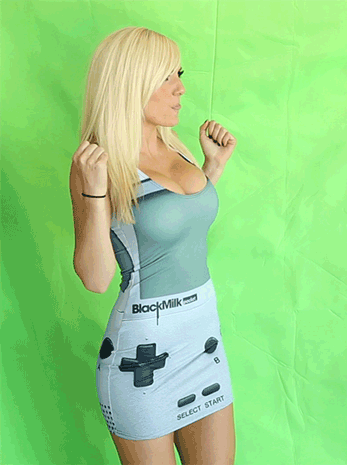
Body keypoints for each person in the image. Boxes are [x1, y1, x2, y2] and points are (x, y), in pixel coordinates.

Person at [69, 26, 237, 465]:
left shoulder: (176, 147)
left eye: (179, 74)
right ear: (130, 82)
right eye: (166, 76)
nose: (180, 88)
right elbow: (96, 278)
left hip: (203, 343)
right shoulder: (99, 163)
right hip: (142, 357)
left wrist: (211, 169)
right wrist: (94, 193)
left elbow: (176, 230)